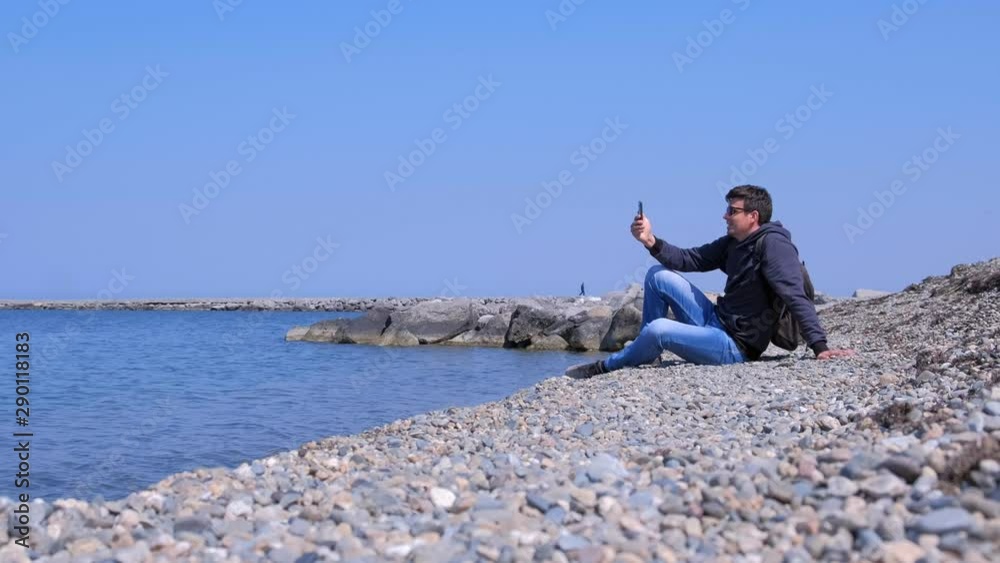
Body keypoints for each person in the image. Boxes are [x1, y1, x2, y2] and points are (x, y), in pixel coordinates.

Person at [565, 185, 854, 379]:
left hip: (734, 346)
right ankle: (647, 356)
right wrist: (650, 241)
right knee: (657, 276)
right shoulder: (734, 242)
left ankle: (607, 365)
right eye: (727, 209)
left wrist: (820, 346)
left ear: (753, 216)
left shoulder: (774, 246)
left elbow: (795, 296)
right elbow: (691, 259)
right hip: (715, 320)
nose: (725, 215)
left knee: (658, 329)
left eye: (732, 211)